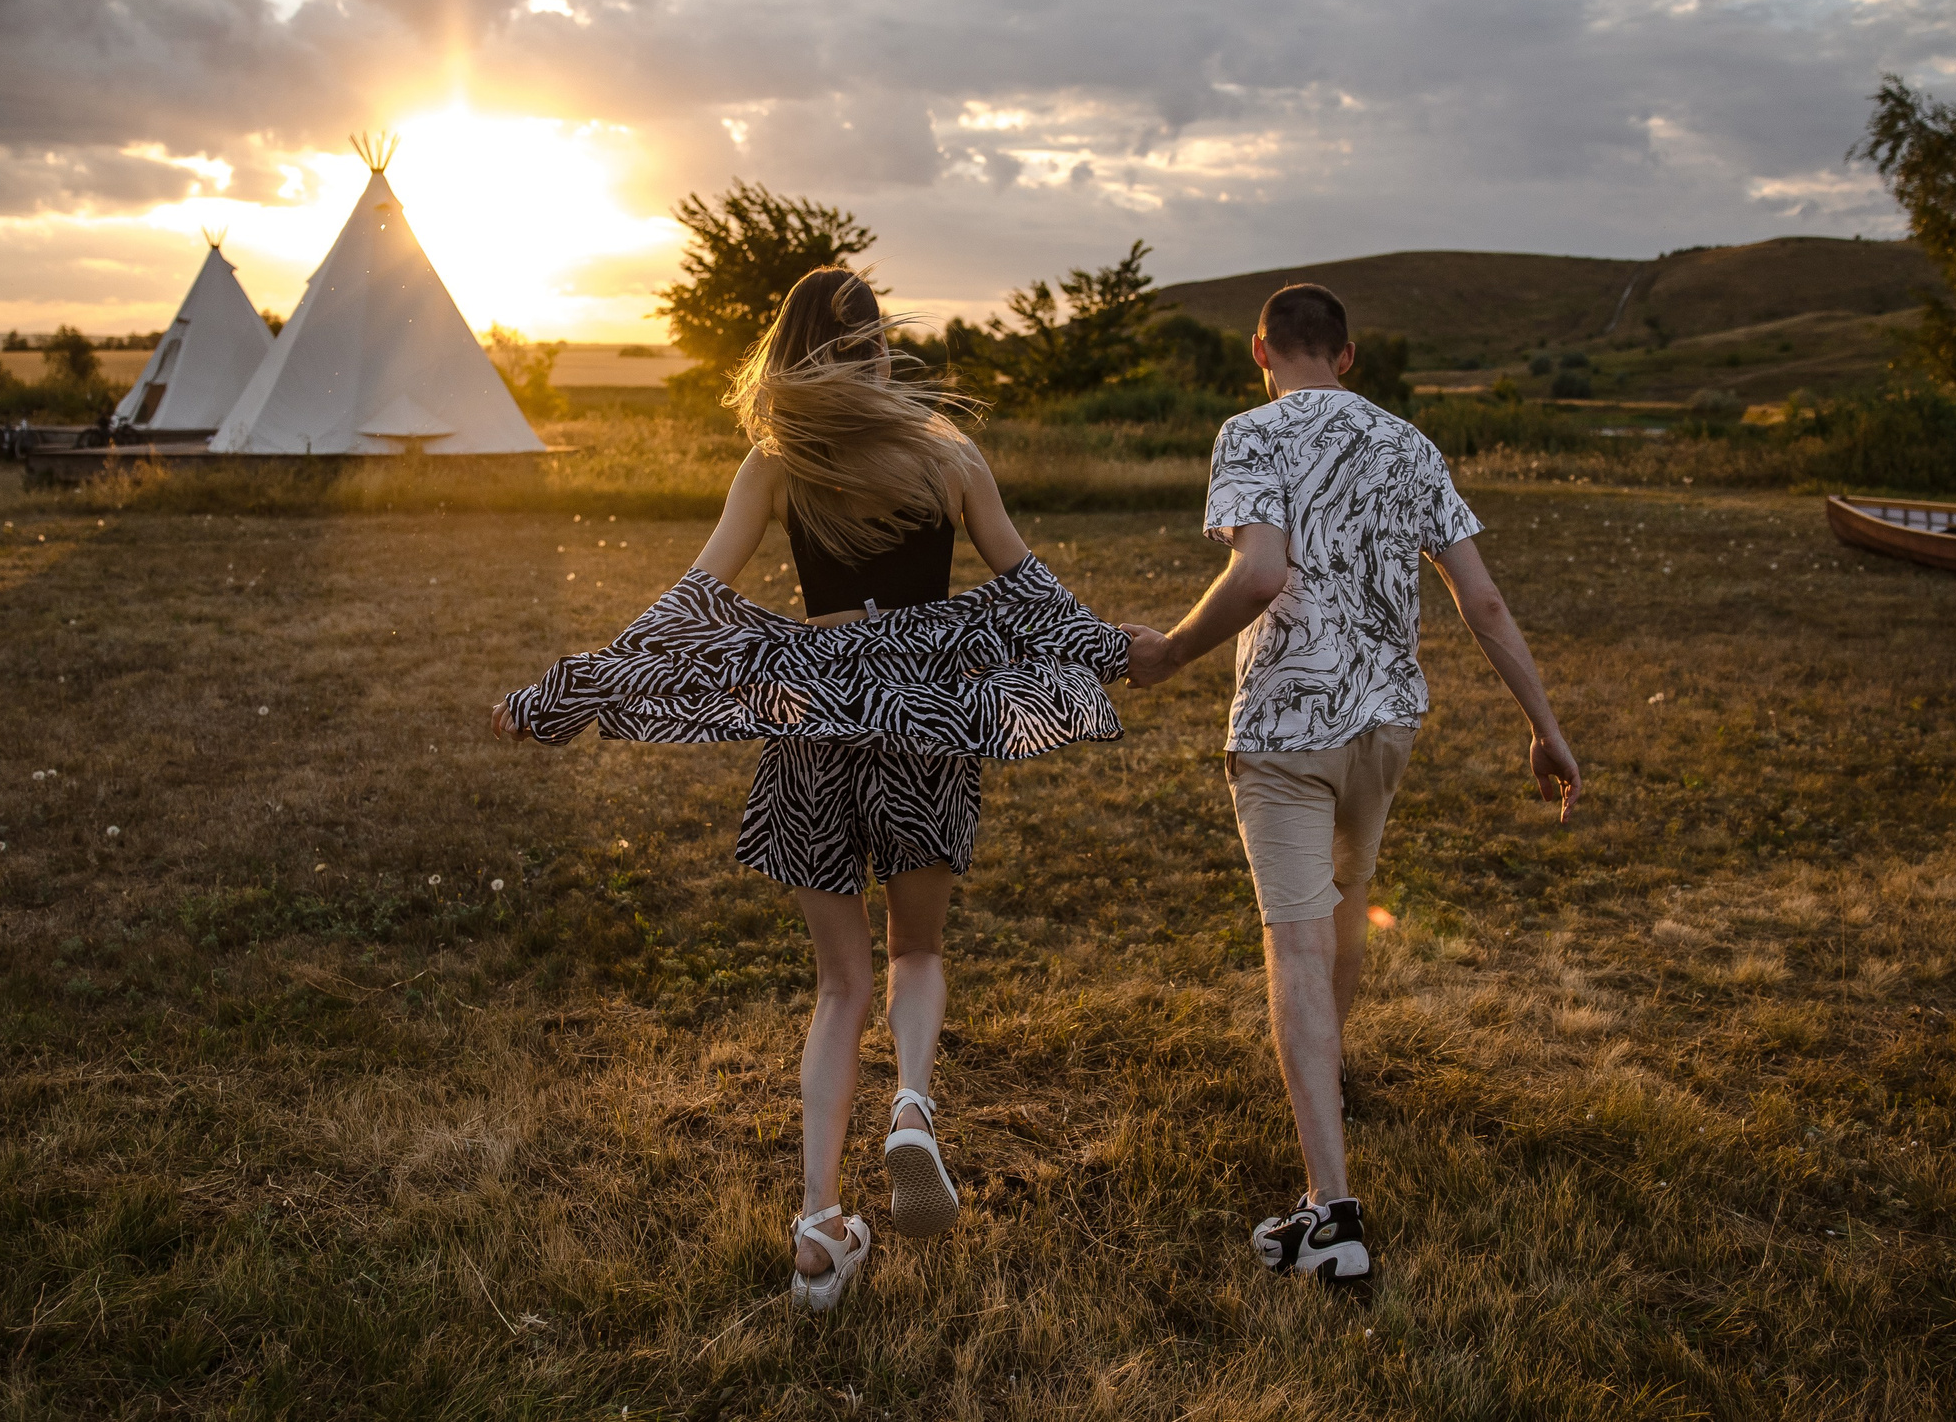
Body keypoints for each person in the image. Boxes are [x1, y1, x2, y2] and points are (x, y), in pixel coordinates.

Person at [499, 267, 1038, 1313]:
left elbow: (692, 606)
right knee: (915, 950)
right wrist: (1120, 647)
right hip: (924, 716)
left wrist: (564, 691)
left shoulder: (777, 460)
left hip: (812, 722)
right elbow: (1023, 586)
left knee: (839, 986)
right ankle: (915, 1107)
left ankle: (817, 1227)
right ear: (883, 347)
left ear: (789, 356)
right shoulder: (947, 453)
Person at [1120, 282, 1579, 1288]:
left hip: (1286, 727)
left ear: (1260, 352)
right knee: (1342, 911)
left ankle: (1331, 1216)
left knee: (1294, 939)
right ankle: (1327, 1082)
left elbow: (1256, 576)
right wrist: (1544, 728)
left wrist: (1167, 656)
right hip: (1386, 726)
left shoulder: (1250, 432)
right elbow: (1485, 600)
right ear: (1350, 356)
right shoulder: (1410, 444)